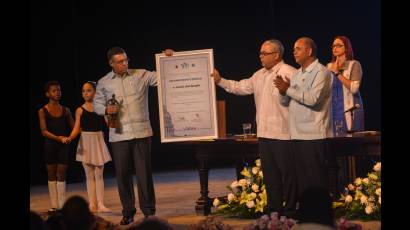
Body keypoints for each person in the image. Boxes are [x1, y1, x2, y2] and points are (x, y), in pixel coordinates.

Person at [211, 39, 297, 217]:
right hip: (264, 134)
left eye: (264, 53)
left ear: (276, 55)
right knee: (271, 176)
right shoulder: (258, 75)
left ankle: (290, 210)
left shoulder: (289, 72)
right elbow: (240, 87)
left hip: (284, 134)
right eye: (260, 53)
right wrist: (220, 81)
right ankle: (274, 212)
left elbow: (298, 98)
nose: (260, 56)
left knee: (288, 176)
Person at [94, 47, 173, 225]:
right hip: (119, 135)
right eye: (120, 61)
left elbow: (162, 76)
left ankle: (149, 212)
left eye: (126, 60)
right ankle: (128, 212)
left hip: (141, 133)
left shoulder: (141, 75)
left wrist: (167, 59)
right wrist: (106, 109)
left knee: (144, 174)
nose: (125, 63)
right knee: (123, 175)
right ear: (111, 63)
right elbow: (97, 103)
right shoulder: (104, 82)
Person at [274, 37, 333, 199]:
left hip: (313, 135)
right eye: (293, 49)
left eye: (298, 48)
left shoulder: (322, 72)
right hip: (297, 135)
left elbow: (313, 99)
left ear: (309, 51)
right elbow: (286, 102)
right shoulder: (297, 73)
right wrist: (282, 91)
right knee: (302, 181)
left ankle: (320, 217)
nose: (294, 52)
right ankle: (307, 215)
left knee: (315, 180)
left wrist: (288, 89)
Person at [66, 81, 112, 213]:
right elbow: (76, 128)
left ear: (95, 92)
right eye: (83, 91)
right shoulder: (79, 110)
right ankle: (92, 203)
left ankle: (101, 203)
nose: (85, 93)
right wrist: (70, 137)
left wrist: (111, 115)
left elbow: (109, 123)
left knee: (99, 174)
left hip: (97, 140)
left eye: (89, 90)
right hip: (86, 142)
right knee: (89, 175)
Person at [38, 81, 74, 213]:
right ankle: (54, 205)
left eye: (59, 90)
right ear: (47, 94)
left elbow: (74, 127)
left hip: (63, 145)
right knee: (51, 174)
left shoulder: (66, 110)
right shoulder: (42, 111)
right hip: (50, 145)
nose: (58, 92)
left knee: (62, 173)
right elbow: (44, 131)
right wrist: (58, 138)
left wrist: (70, 137)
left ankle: (62, 205)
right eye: (54, 90)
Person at [327, 36, 364, 134]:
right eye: (333, 46)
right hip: (334, 110)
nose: (335, 48)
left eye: (339, 45)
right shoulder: (329, 66)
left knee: (350, 141)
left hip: (350, 109)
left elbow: (354, 89)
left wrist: (337, 73)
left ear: (346, 48)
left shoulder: (354, 64)